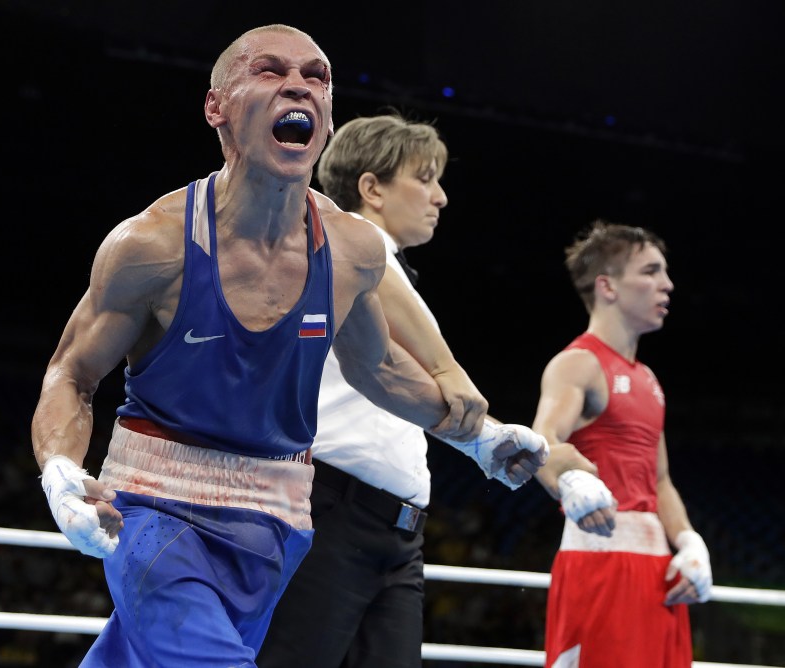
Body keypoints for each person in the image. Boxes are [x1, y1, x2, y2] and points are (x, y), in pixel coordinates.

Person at [31, 25, 547, 668]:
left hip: (277, 520)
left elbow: (380, 369)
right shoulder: (152, 246)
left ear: (327, 115)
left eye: (317, 76)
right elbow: (71, 373)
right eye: (270, 71)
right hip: (155, 505)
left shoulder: (353, 253)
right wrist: (60, 472)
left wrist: (477, 439)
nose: (299, 84)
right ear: (216, 106)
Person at [258, 113, 603, 668]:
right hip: (329, 511)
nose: (440, 197)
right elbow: (436, 382)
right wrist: (502, 441)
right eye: (424, 178)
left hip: (398, 533)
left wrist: (506, 445)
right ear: (371, 188)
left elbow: (417, 391)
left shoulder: (390, 275)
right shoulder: (343, 246)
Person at [531, 220, 712, 667]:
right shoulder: (578, 364)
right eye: (650, 272)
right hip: (601, 564)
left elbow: (661, 479)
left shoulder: (649, 381)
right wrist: (571, 479)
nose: (666, 285)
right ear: (607, 286)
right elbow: (541, 443)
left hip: (658, 574)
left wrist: (689, 541)